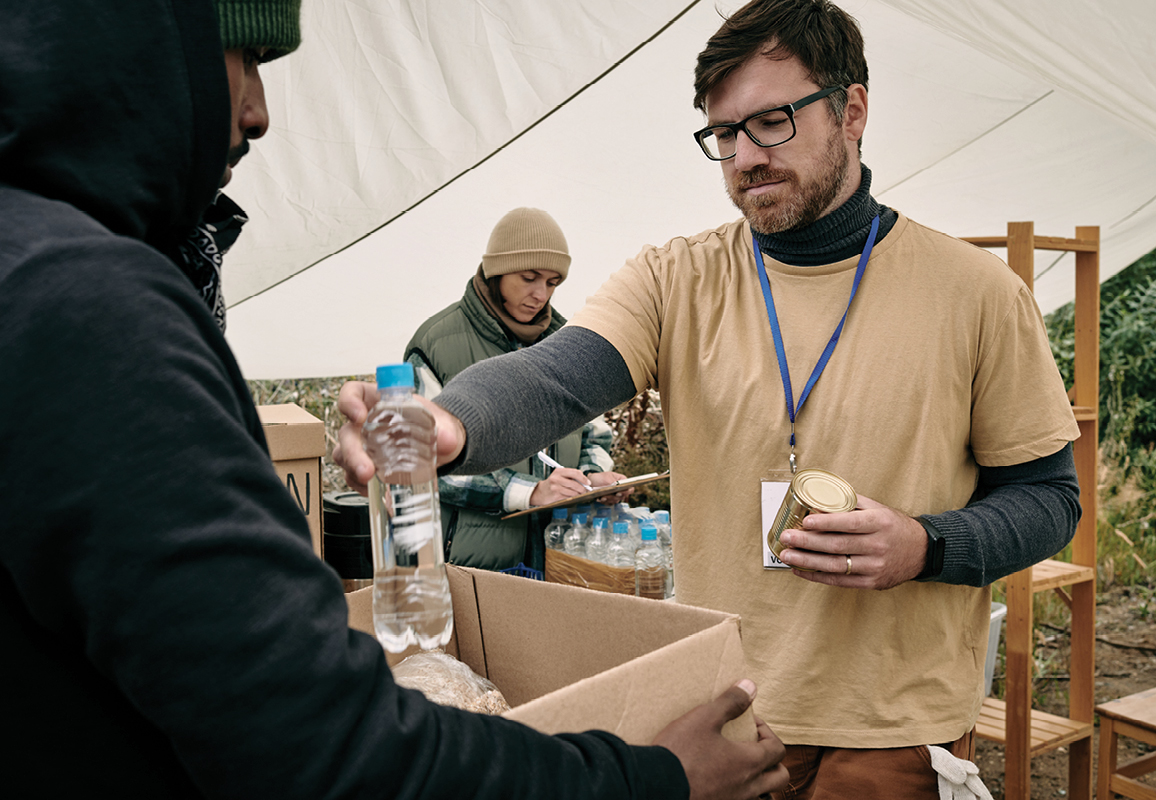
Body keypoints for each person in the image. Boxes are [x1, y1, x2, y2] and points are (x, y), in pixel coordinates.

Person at [0, 1, 787, 798]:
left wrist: (926, 543)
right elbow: (320, 741)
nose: (260, 113)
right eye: (244, 57)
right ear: (133, 46)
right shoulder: (84, 308)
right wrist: (653, 779)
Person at [335, 0, 1083, 797]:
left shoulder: (976, 295)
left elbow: (1048, 497)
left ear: (852, 110)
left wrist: (925, 546)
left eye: (771, 122)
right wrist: (450, 422)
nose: (743, 158)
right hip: (728, 710)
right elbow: (555, 375)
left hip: (895, 726)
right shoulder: (676, 280)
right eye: (723, 135)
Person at [405, 207, 627, 571]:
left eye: (553, 283)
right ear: (496, 271)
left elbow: (595, 433)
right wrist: (530, 492)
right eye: (529, 277)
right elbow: (420, 460)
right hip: (471, 567)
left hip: (560, 559)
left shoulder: (569, 341)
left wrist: (590, 481)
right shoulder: (436, 344)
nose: (540, 294)